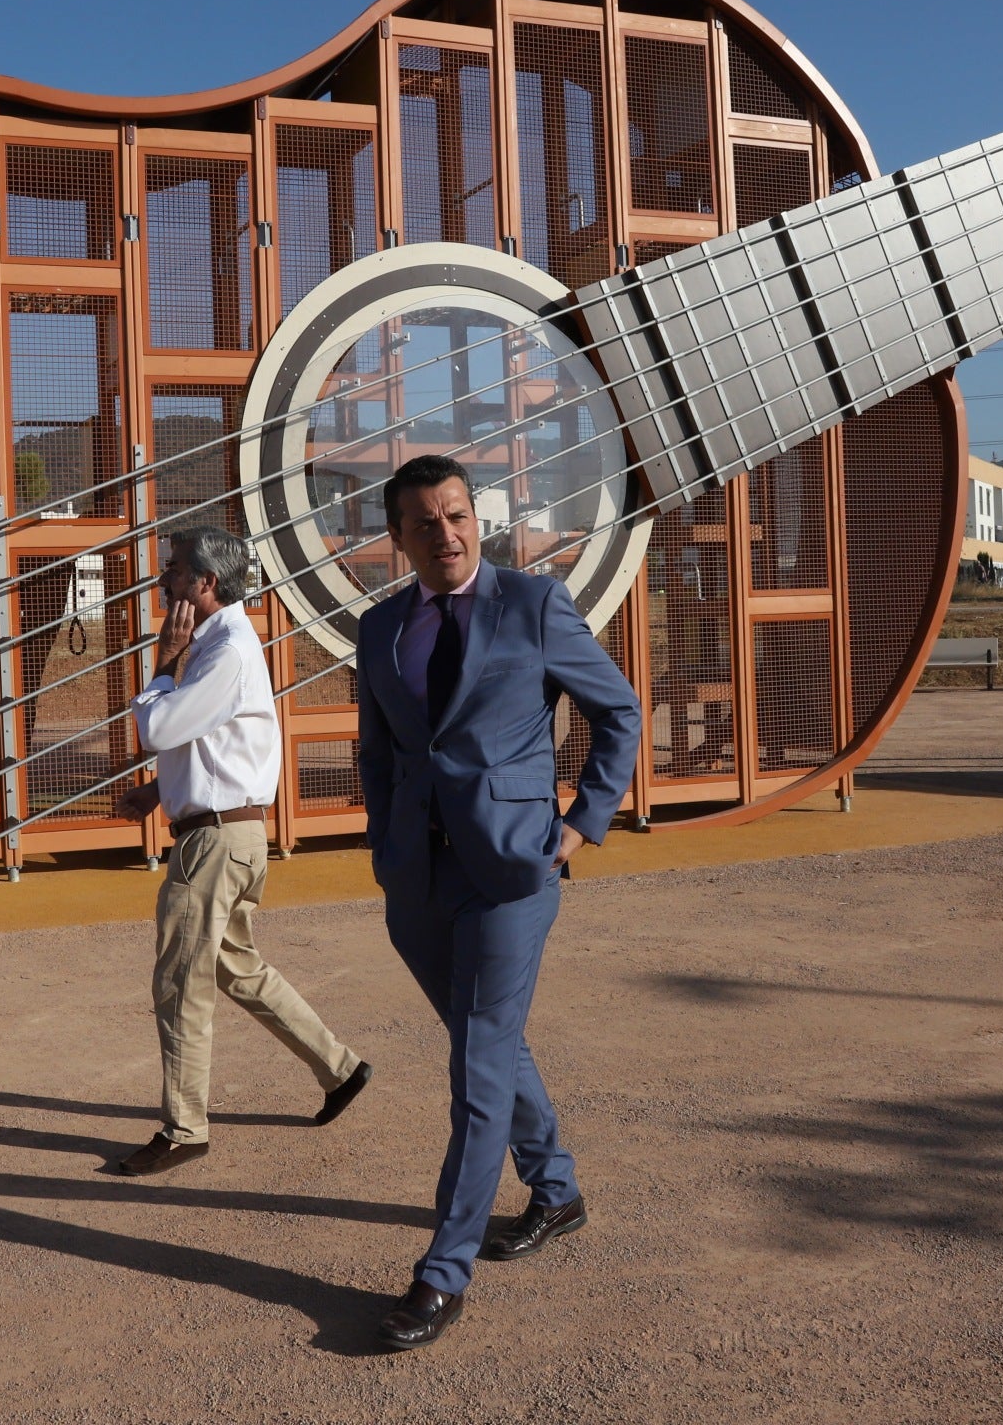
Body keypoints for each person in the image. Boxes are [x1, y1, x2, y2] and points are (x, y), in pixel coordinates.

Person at [353, 455, 642, 1350]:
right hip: (417, 878)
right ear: (398, 537)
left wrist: (583, 822)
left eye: (457, 515)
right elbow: (377, 751)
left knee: (477, 1065)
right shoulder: (379, 627)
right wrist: (384, 845)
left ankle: (443, 1274)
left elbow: (619, 711)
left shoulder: (536, 604)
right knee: (491, 1042)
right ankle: (555, 1190)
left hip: (512, 869)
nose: (445, 534)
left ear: (477, 519)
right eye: (425, 522)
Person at [113, 526, 371, 1178]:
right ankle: (340, 1069)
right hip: (229, 833)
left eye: (174, 569)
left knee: (181, 983)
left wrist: (163, 660)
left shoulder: (223, 647)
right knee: (236, 968)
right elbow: (216, 744)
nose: (164, 579)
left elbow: (157, 726)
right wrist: (160, 791)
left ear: (206, 583)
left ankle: (185, 1130)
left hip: (216, 842)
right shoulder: (221, 643)